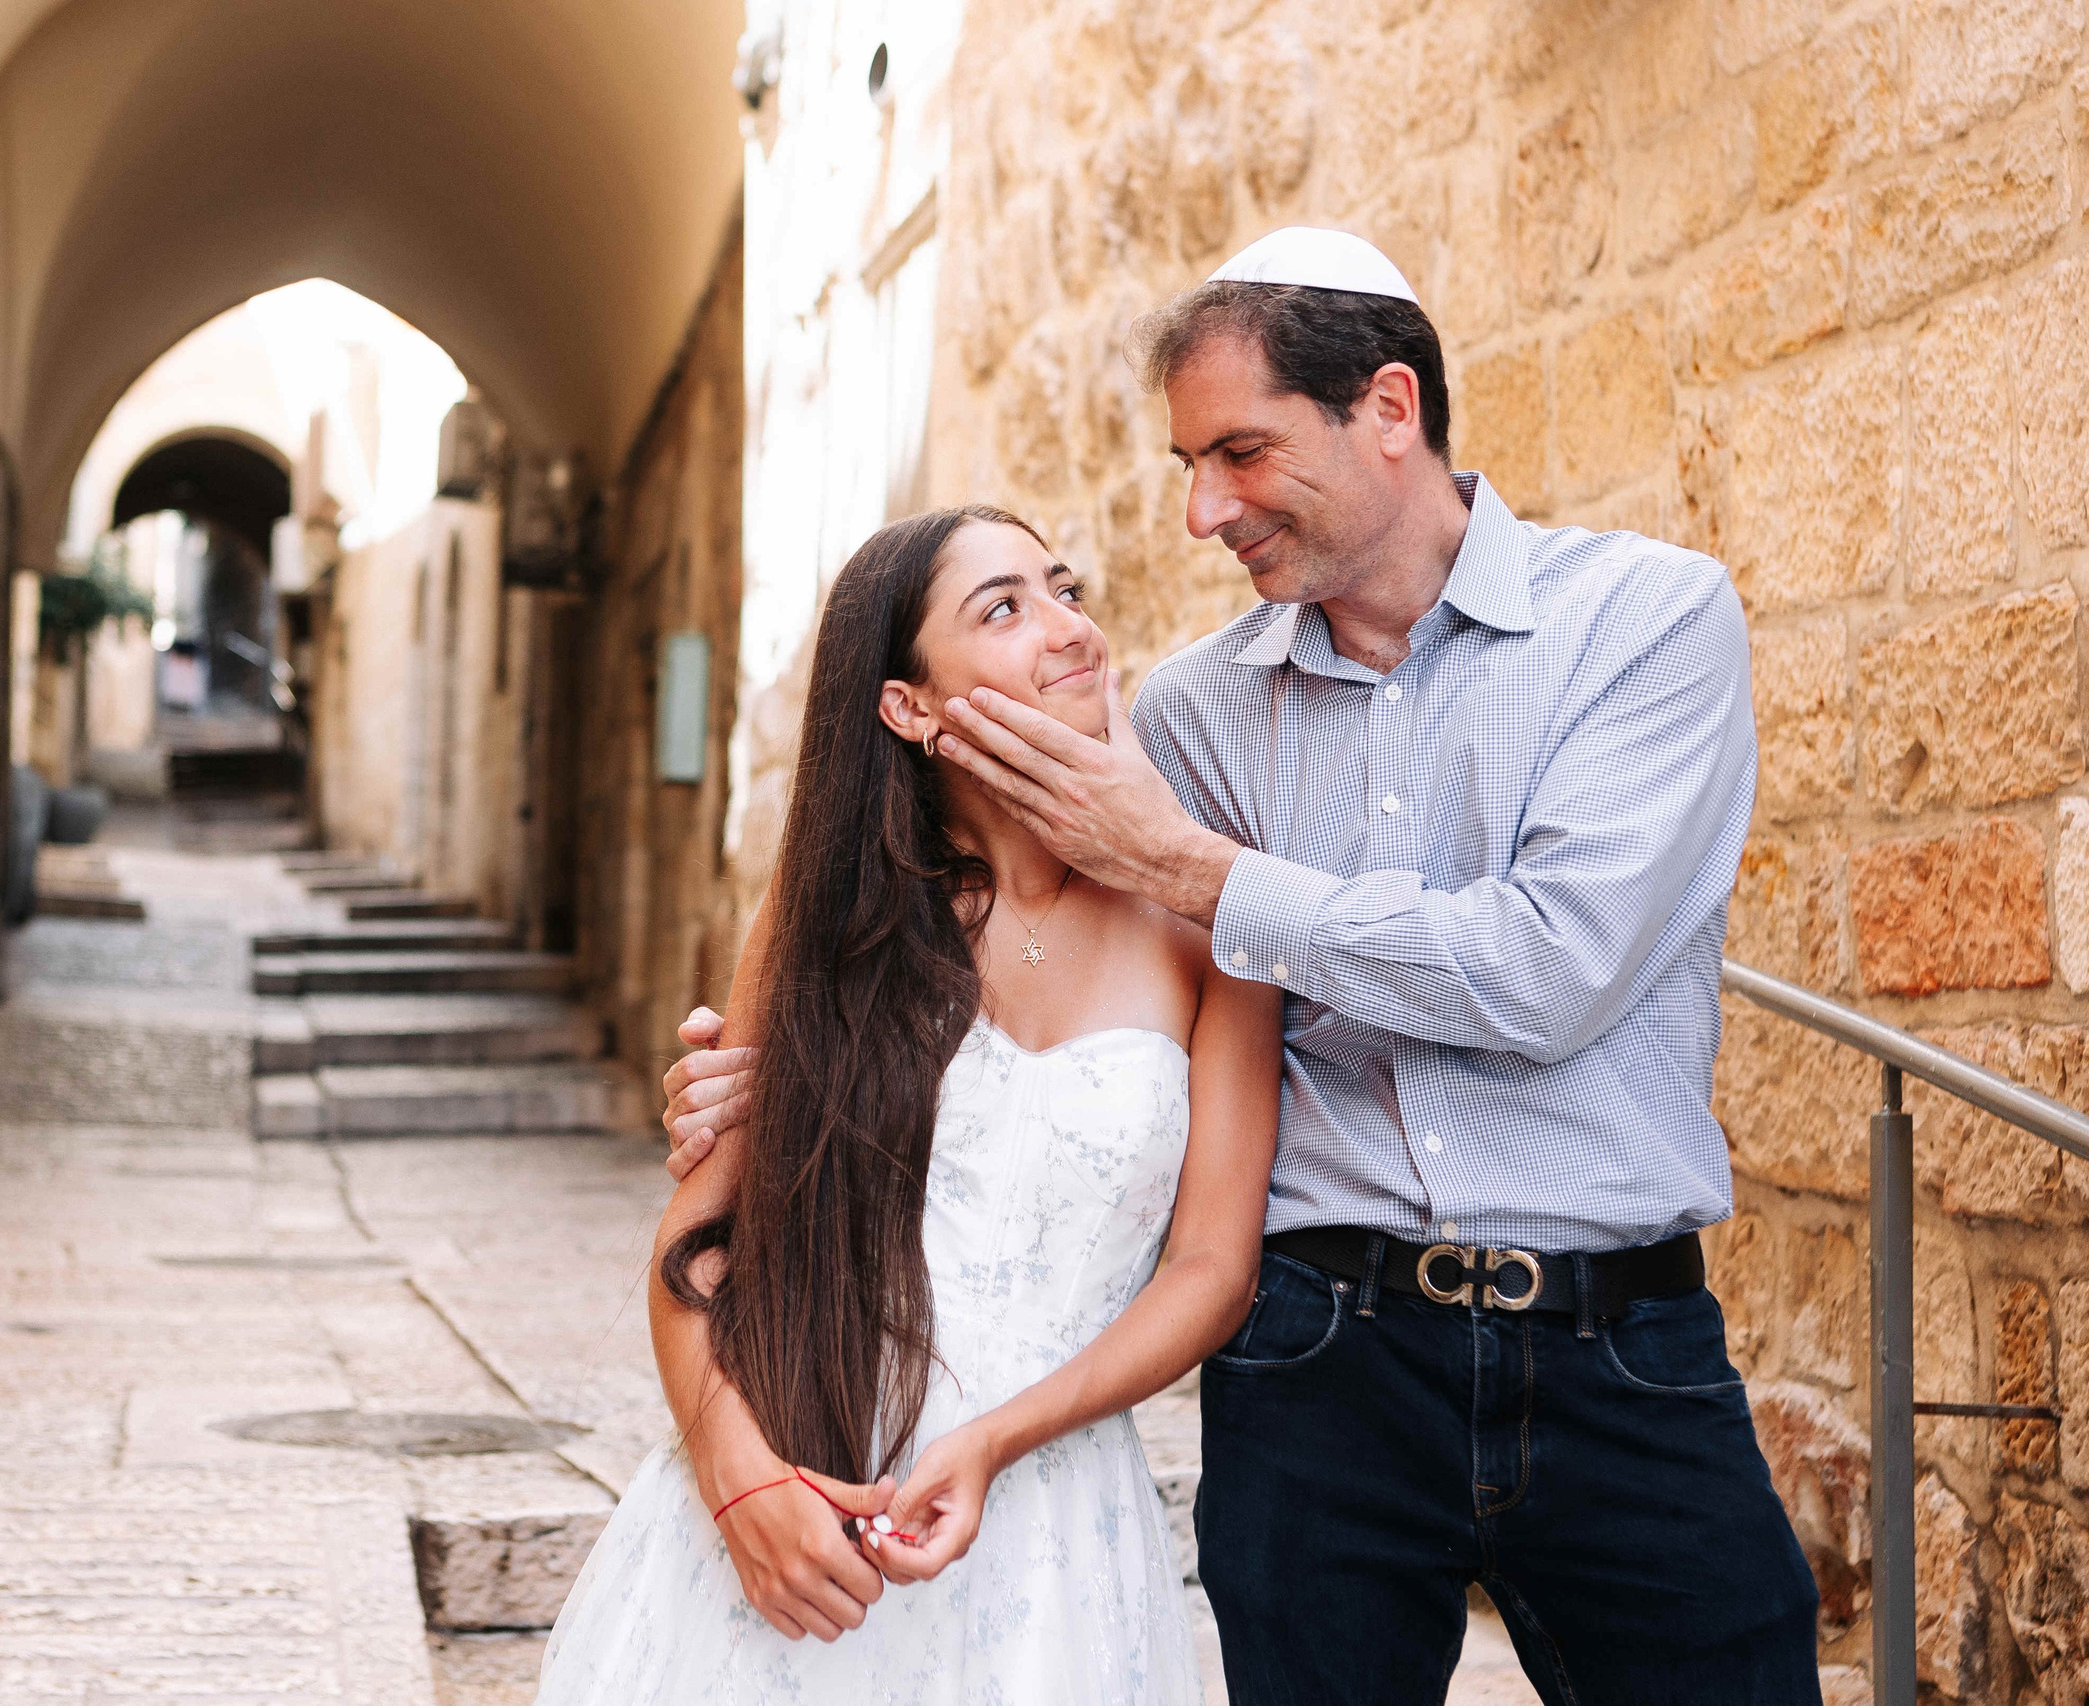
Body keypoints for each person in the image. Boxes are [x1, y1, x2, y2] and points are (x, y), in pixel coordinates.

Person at [663, 229, 1823, 1704]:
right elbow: (1008, 922)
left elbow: (1550, 972)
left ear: (1388, 409)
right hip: (1317, 1361)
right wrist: (784, 1063)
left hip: (1620, 1337)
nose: (1206, 511)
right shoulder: (1199, 713)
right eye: (1188, 464)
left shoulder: (1644, 622)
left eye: (1242, 453)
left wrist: (1197, 871)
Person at [537, 505, 1281, 1703]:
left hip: (1050, 1526)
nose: (1067, 627)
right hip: (803, 1482)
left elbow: (1210, 1266)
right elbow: (697, 1245)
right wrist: (740, 1482)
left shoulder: (1209, 923)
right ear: (909, 706)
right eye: (1003, 608)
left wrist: (996, 1438)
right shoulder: (826, 922)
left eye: (1062, 587)